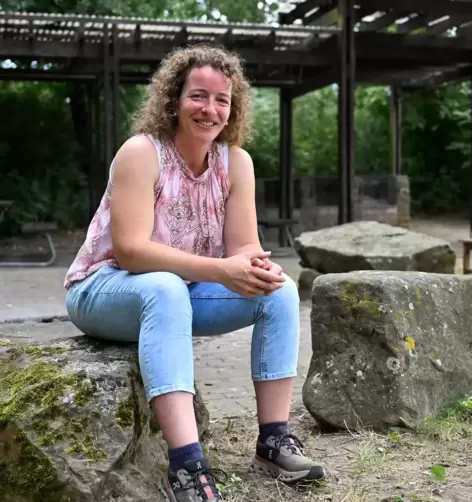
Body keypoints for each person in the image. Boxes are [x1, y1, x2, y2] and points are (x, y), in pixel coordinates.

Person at [63, 44, 325, 501]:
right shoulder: (141, 153)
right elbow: (130, 252)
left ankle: (273, 442)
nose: (210, 109)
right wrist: (220, 270)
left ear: (233, 107)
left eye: (221, 100)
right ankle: (186, 464)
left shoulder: (235, 162)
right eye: (198, 96)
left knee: (279, 292)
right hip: (102, 290)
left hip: (177, 292)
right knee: (165, 289)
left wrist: (255, 266)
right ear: (173, 100)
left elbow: (242, 246)